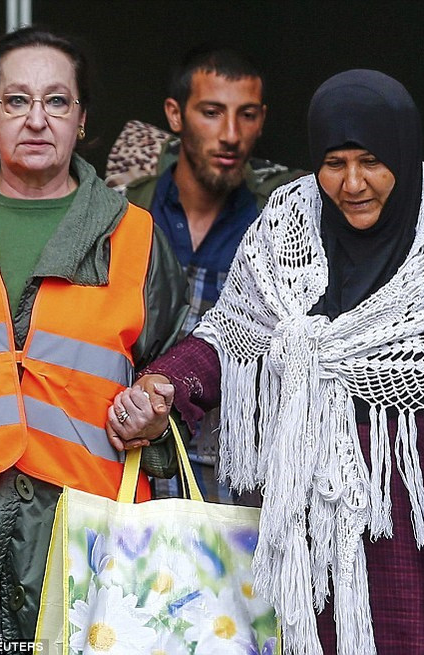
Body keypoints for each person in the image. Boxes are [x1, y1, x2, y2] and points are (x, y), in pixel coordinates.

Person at [107, 69, 424, 655]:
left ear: (402, 152)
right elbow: (233, 334)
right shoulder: (287, 223)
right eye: (334, 163)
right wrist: (166, 384)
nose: (352, 183)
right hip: (317, 531)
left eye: (371, 162)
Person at [0, 27, 187, 643]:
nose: (37, 119)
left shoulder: (134, 237)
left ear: (82, 118)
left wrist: (156, 415)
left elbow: (178, 373)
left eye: (57, 101)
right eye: (16, 100)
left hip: (86, 549)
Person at [106, 46, 303, 504]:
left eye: (246, 115)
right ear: (175, 114)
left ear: (262, 119)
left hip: (245, 475)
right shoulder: (124, 210)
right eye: (212, 113)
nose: (231, 134)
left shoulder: (282, 220)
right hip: (130, 458)